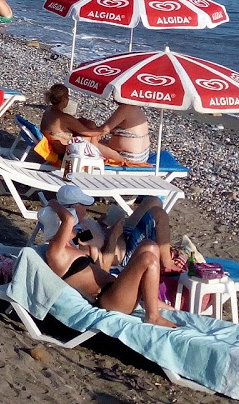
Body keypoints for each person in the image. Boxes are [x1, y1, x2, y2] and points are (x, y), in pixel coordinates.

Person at [42, 186, 177, 328]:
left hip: (115, 287)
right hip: (108, 299)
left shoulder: (74, 244)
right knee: (148, 258)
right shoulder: (56, 252)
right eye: (71, 228)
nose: (74, 229)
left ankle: (151, 301)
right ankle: (153, 316)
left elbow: (102, 269)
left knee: (149, 245)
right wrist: (52, 202)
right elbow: (68, 219)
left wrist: (93, 248)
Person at [39, 85, 104, 162]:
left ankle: (97, 157)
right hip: (63, 152)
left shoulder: (48, 111)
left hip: (53, 145)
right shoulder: (62, 117)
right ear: (64, 99)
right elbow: (88, 132)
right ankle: (92, 162)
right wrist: (104, 131)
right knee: (91, 134)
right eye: (68, 97)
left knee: (90, 125)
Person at [92, 101, 151, 166]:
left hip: (127, 157)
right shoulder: (137, 110)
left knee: (87, 142)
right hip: (142, 156)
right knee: (99, 141)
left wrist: (83, 130)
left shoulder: (125, 108)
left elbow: (104, 130)